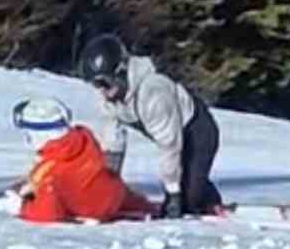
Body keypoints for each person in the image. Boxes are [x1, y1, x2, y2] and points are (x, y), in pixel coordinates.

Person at [78, 36, 223, 218]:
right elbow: (113, 141)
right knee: (184, 180)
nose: (100, 91)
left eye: (103, 83)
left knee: (188, 201)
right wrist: (108, 184)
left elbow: (169, 146)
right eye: (94, 84)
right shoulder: (111, 99)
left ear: (121, 72)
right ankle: (196, 186)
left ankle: (210, 201)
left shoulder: (153, 92)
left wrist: (173, 194)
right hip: (169, 134)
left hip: (197, 129)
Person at [10, 96, 156, 225]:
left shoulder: (52, 173)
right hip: (114, 192)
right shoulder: (84, 140)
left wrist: (22, 207)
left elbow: (47, 215)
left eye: (27, 134)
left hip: (96, 208)